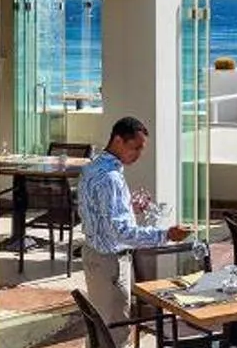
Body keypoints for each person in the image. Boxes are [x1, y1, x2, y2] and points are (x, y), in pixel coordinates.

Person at [78, 115, 193, 327]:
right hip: (109, 263)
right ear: (118, 140)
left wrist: (128, 209)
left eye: (142, 149)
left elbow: (95, 213)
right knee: (115, 334)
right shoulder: (110, 177)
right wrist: (166, 235)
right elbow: (121, 232)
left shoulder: (92, 167)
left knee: (100, 333)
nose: (139, 154)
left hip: (94, 256)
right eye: (136, 148)